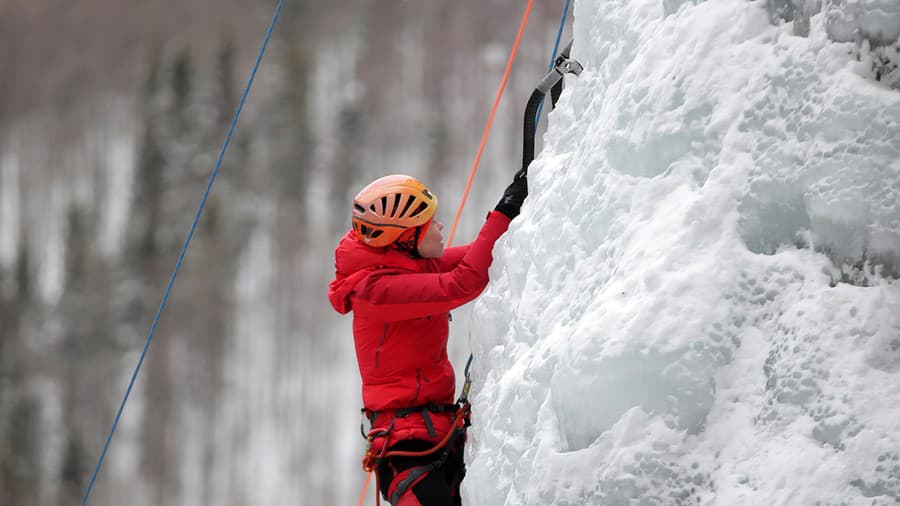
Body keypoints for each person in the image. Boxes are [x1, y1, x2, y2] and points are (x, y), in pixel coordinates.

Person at [328, 170, 527, 505]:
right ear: (406, 238)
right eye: (430, 223)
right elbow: (463, 283)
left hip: (438, 435)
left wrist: (512, 213)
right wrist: (504, 211)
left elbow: (477, 256)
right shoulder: (376, 291)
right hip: (407, 451)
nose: (440, 227)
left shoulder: (410, 263)